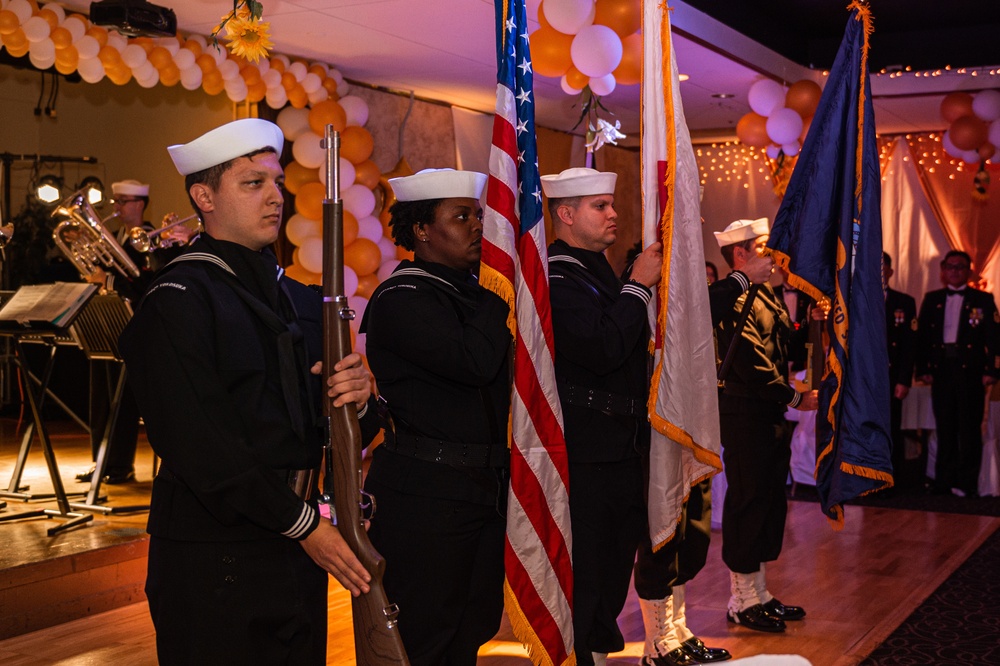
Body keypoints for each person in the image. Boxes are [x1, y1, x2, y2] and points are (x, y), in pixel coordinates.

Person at [119, 118, 378, 665]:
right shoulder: (178, 298)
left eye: (276, 182)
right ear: (203, 196)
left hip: (295, 541)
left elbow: (327, 429)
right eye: (252, 183)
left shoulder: (304, 301)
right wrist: (305, 525)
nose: (274, 197)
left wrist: (361, 400)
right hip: (216, 552)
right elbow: (200, 444)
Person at [362, 168, 512, 665]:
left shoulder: (470, 294)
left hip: (480, 487)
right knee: (427, 633)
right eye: (461, 216)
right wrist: (498, 293)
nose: (477, 227)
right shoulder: (401, 298)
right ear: (422, 229)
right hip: (426, 493)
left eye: (478, 216)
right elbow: (472, 361)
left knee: (472, 624)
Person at [541, 167, 659, 666]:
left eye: (611, 204)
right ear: (566, 214)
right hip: (585, 449)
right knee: (588, 573)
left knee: (613, 570)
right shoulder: (557, 276)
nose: (614, 214)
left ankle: (596, 655)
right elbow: (602, 347)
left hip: (621, 445)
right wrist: (638, 289)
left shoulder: (595, 270)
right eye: (600, 206)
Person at [634, 250, 774, 666]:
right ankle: (656, 641)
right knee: (662, 531)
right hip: (663, 424)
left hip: (695, 422)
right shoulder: (655, 297)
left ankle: (675, 628)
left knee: (690, 534)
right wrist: (741, 279)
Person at [714, 218, 817, 633]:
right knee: (749, 500)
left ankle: (759, 592)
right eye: (762, 247)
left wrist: (811, 318)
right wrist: (795, 398)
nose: (772, 256)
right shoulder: (733, 300)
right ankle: (740, 598)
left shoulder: (767, 296)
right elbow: (752, 363)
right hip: (744, 413)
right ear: (740, 255)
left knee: (770, 500)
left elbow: (786, 345)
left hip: (766, 412)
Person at [78, 179, 195, 485]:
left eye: (124, 202)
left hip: (135, 326)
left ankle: (119, 464)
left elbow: (147, 287)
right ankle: (101, 460)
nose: (117, 208)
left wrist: (109, 281)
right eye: (116, 201)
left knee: (123, 401)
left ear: (140, 204)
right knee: (100, 398)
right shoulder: (113, 237)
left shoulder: (151, 241)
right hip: (107, 321)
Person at [915, 250, 1000, 497]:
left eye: (960, 267)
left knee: (969, 428)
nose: (954, 271)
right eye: (950, 267)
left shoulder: (983, 300)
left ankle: (967, 483)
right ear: (943, 270)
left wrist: (991, 370)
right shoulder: (932, 299)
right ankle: (943, 481)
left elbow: (995, 339)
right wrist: (923, 370)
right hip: (941, 370)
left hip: (971, 372)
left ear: (969, 271)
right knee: (945, 427)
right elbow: (922, 339)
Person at [882, 252, 917, 490]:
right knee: (864, 427)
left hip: (892, 375)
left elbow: (909, 346)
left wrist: (904, 380)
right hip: (864, 377)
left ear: (890, 272)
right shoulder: (855, 298)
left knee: (891, 428)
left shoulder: (904, 302)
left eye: (881, 266)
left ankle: (890, 480)